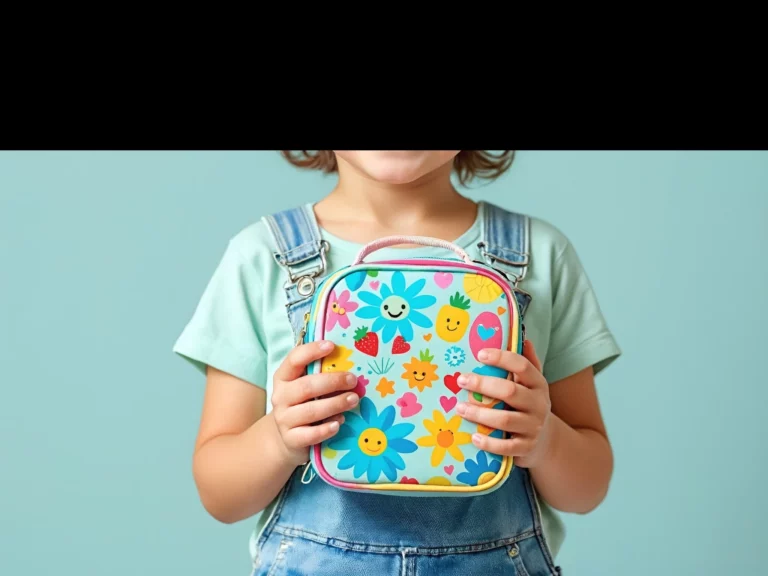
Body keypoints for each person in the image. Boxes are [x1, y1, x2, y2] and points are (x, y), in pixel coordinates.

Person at [173, 150, 621, 575]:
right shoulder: (260, 258)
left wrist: (544, 441)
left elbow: (588, 487)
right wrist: (278, 441)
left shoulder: (541, 254)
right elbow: (219, 494)